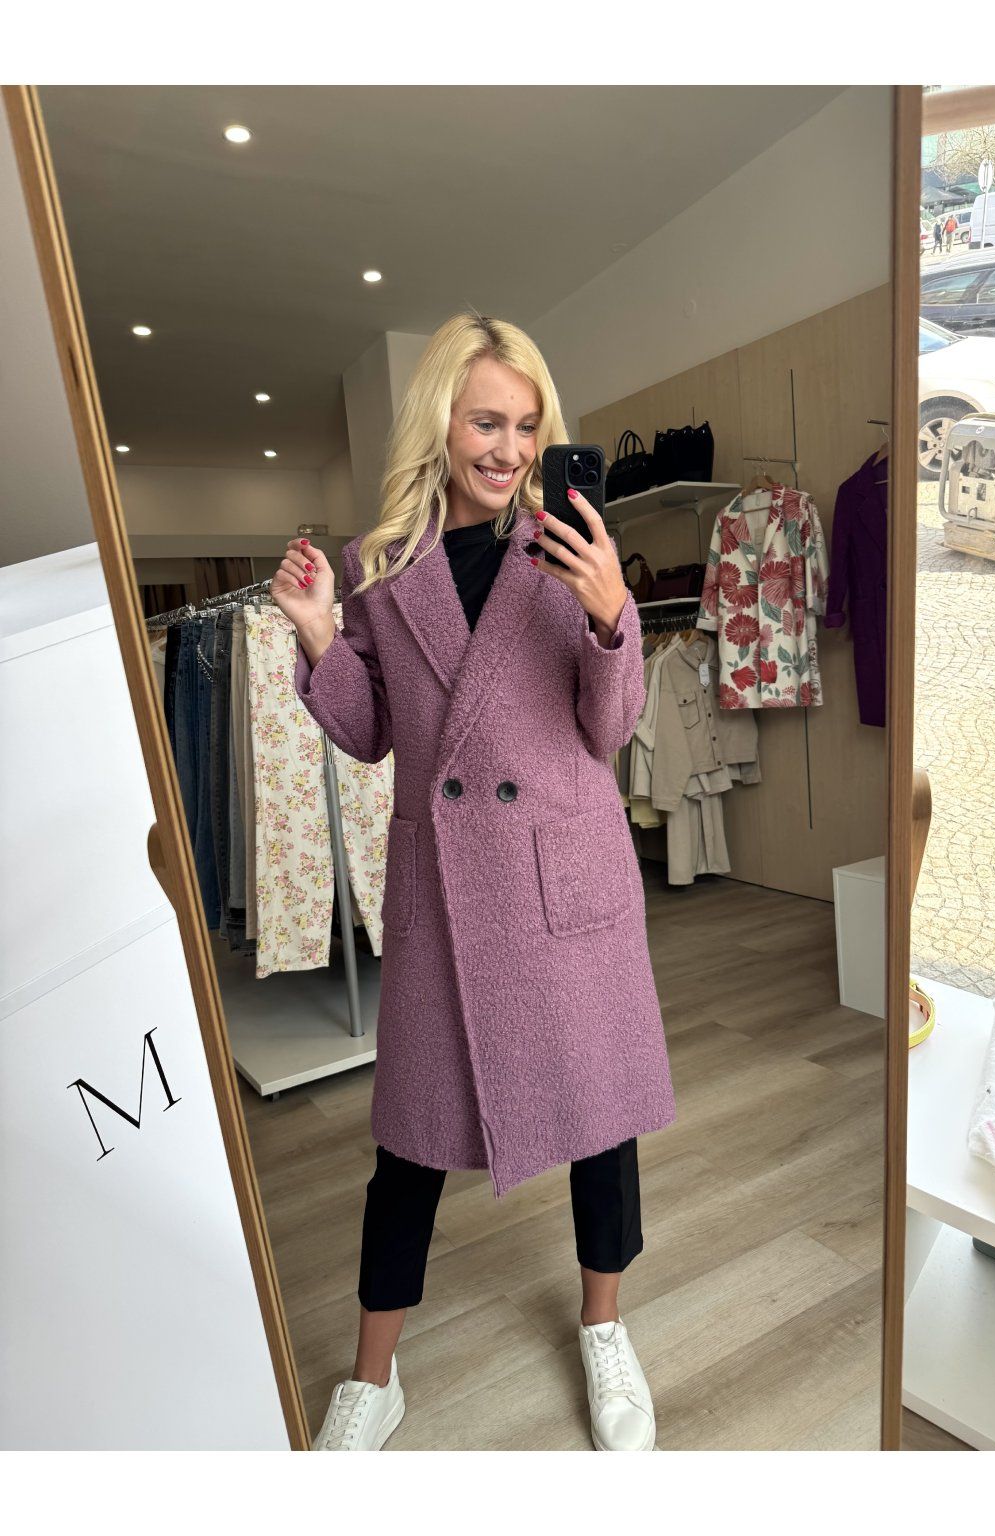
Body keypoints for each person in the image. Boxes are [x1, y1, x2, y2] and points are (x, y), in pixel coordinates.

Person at [271, 312, 676, 1452]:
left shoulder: (567, 546)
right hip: (447, 894)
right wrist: (318, 635)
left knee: (601, 1123)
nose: (508, 448)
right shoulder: (381, 564)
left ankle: (605, 1329)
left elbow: (609, 727)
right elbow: (370, 732)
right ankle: (373, 1379)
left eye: (527, 425)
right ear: (440, 420)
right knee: (408, 1144)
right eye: (486, 421)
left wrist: (611, 614)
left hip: (562, 873)